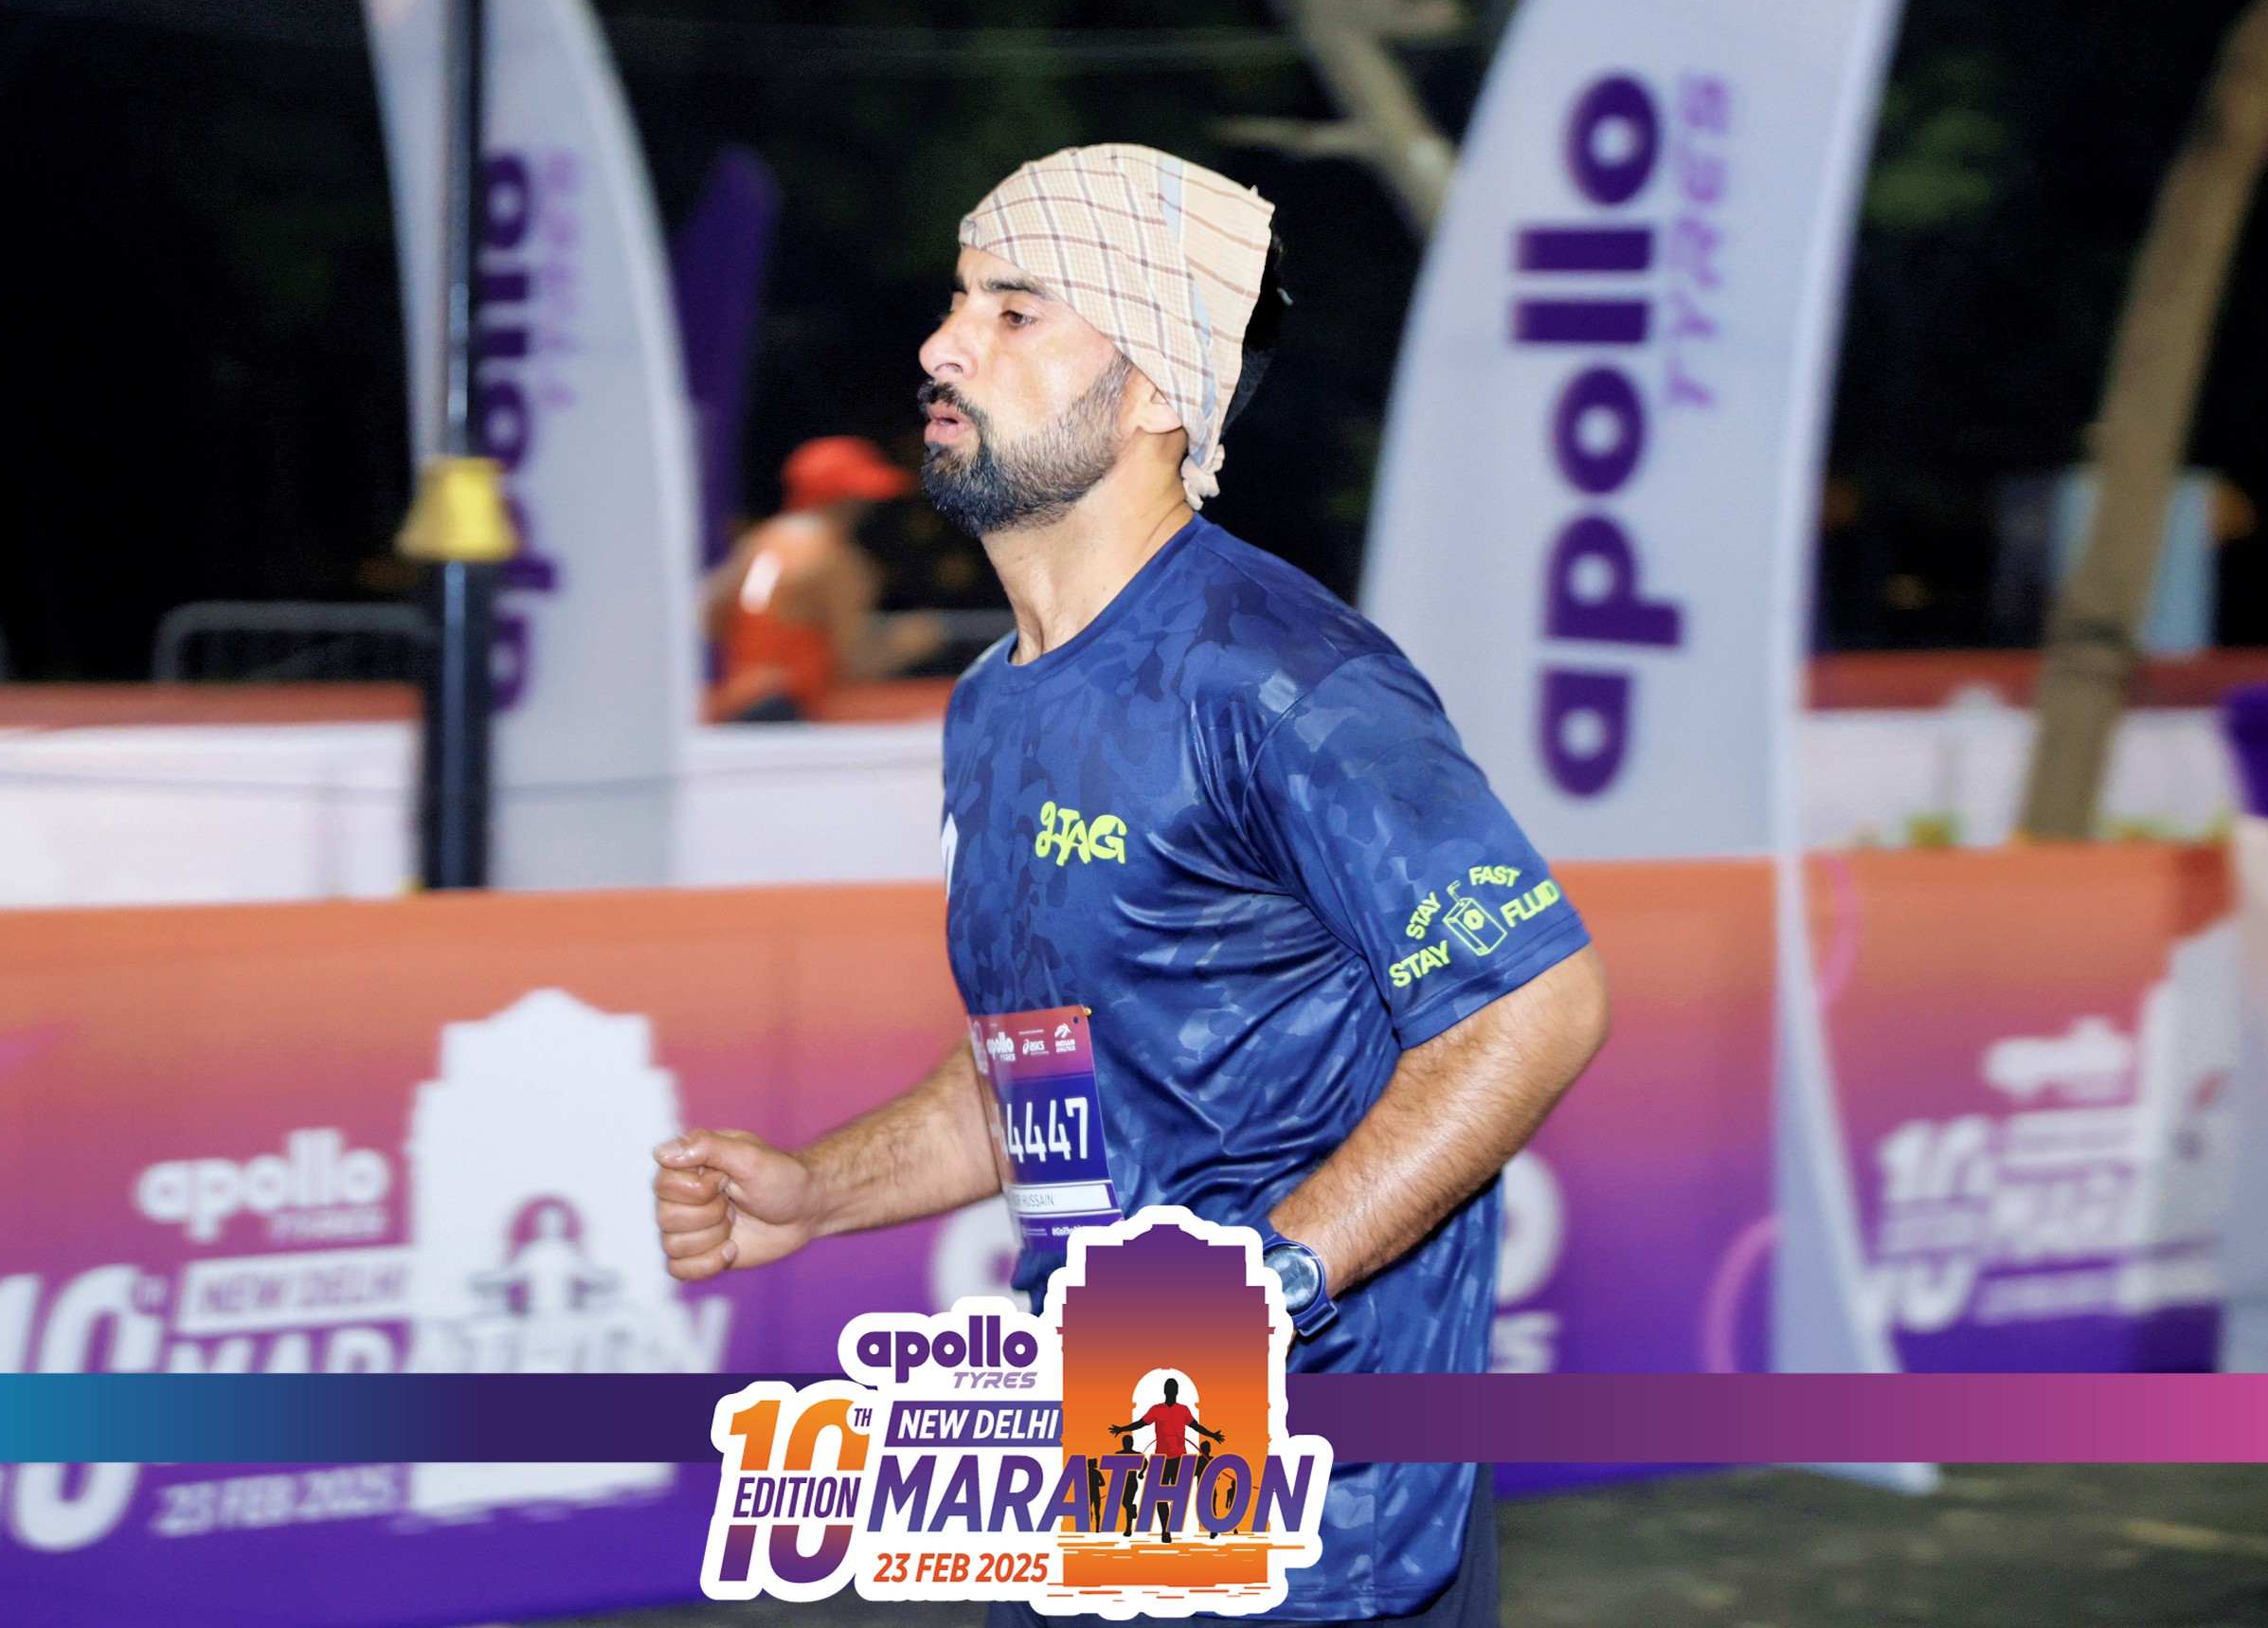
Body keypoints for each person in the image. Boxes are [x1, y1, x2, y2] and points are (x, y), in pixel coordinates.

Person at [655, 144, 1610, 1624]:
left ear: (1158, 389)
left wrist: (1271, 1283)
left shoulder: (1281, 675)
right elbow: (1052, 1066)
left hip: (1322, 1533)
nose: (944, 345)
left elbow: (1531, 1005)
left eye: (1015, 310)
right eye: (958, 301)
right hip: (1103, 1478)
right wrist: (819, 1191)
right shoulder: (997, 700)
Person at [701, 435, 944, 721]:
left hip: (738, 706)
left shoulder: (759, 544)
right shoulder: (836, 561)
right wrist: (909, 643)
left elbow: (710, 614)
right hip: (790, 712)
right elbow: (851, 663)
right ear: (849, 500)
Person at [1108, 1376, 1223, 1542]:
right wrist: (1122, 1428)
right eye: (1169, 1389)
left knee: (1181, 1496)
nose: (1171, 1391)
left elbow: (1196, 1426)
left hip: (1180, 1459)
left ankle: (1210, 1524)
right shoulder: (1156, 1410)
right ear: (1165, 1391)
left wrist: (1212, 1435)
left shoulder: (1183, 1410)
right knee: (1160, 1497)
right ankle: (1165, 1530)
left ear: (1176, 1392)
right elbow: (1141, 1423)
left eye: (1173, 1389)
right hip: (1161, 1460)